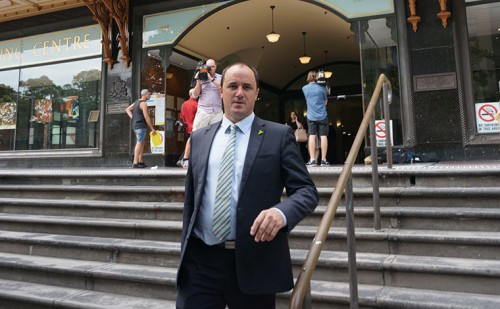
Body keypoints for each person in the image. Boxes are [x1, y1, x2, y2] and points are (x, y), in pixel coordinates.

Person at [176, 63, 319, 309]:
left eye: (247, 87)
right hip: (201, 263)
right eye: (232, 86)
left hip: (254, 262)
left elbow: (307, 191)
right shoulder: (199, 138)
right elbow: (192, 202)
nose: (239, 92)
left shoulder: (279, 135)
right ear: (222, 91)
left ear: (256, 93)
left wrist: (281, 213)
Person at [302, 71, 329, 166]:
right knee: (323, 136)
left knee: (312, 136)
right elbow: (325, 102)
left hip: (311, 116)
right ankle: (323, 160)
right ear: (316, 77)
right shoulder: (322, 88)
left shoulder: (304, 88)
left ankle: (312, 159)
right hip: (322, 115)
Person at [126, 89, 156, 168]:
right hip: (140, 126)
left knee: (141, 142)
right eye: (149, 94)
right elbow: (146, 117)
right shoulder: (143, 103)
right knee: (139, 142)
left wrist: (133, 118)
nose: (150, 96)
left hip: (136, 125)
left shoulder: (136, 102)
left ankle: (140, 161)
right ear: (145, 94)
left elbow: (128, 109)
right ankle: (135, 162)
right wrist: (152, 128)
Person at [191, 59, 223, 131]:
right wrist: (198, 80)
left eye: (212, 67)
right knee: (197, 134)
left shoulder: (220, 78)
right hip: (204, 111)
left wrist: (211, 79)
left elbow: (224, 89)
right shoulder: (201, 78)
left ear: (215, 67)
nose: (210, 69)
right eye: (208, 67)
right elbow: (195, 95)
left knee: (216, 136)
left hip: (217, 112)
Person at [176, 89, 198, 168]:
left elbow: (181, 116)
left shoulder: (184, 104)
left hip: (186, 126)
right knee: (192, 144)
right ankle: (184, 159)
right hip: (194, 126)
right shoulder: (197, 104)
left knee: (189, 144)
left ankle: (181, 159)